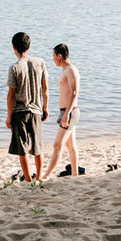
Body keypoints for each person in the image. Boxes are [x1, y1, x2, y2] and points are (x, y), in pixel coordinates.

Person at [6, 32, 49, 182]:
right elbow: (45, 89)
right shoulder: (40, 62)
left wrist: (8, 116)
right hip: (36, 110)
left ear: (14, 48)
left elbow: (11, 95)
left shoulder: (14, 68)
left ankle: (29, 180)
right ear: (29, 47)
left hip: (20, 112)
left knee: (22, 149)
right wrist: (45, 107)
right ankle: (39, 177)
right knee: (38, 146)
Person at [44, 43, 81, 178]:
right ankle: (75, 175)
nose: (53, 59)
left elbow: (74, 92)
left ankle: (46, 176)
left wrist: (66, 115)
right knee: (71, 146)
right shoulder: (65, 70)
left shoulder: (71, 70)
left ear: (60, 56)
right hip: (65, 111)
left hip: (70, 112)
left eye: (53, 56)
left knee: (57, 145)